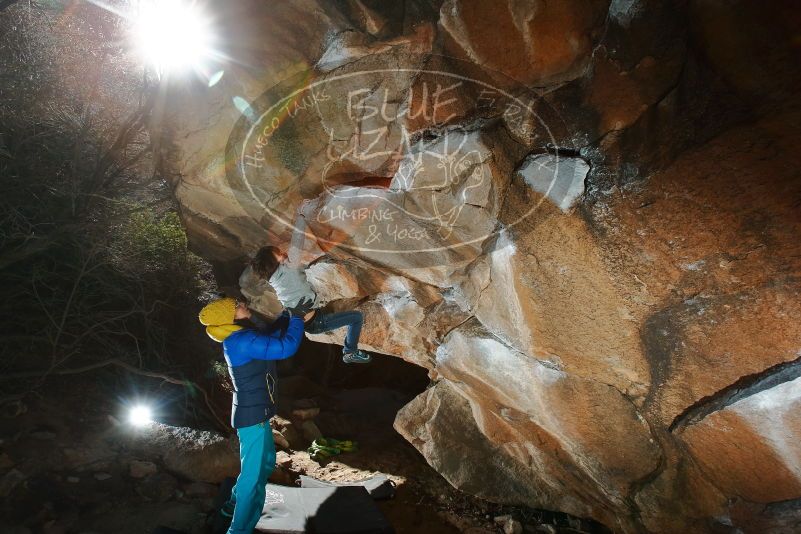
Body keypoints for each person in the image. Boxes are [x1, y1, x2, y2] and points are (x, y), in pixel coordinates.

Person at [198, 296, 305, 534]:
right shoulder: (242, 340)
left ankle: (231, 505)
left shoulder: (238, 336)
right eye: (236, 306)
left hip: (255, 413)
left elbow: (268, 335)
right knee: (253, 480)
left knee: (265, 461)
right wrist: (298, 319)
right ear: (229, 316)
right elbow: (285, 347)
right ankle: (238, 530)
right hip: (253, 417)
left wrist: (286, 317)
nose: (242, 304)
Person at [250, 244, 372, 365]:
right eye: (279, 254)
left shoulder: (273, 279)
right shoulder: (289, 270)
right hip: (317, 323)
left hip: (310, 319)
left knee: (342, 309)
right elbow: (297, 241)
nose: (283, 254)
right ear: (274, 263)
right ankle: (350, 352)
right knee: (357, 318)